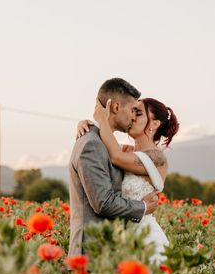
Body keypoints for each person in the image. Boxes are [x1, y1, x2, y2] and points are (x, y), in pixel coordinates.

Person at [76, 96, 179, 264]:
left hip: (145, 240)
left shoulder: (156, 157)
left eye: (138, 113)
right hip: (122, 239)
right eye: (132, 111)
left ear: (154, 124)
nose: (132, 117)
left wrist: (102, 119)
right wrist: (87, 126)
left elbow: (115, 157)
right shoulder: (127, 151)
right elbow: (102, 149)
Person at [68, 78, 160, 256]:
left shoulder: (105, 143)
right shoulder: (92, 144)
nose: (133, 116)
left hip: (107, 251)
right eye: (133, 110)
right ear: (116, 107)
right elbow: (103, 202)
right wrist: (142, 207)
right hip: (90, 253)